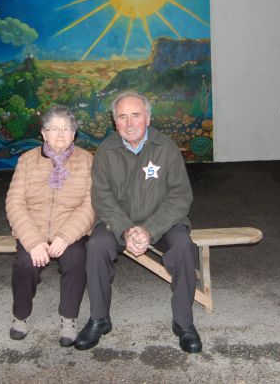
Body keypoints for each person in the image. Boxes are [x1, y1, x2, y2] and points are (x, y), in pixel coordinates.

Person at [74, 91, 201, 353]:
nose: (129, 122)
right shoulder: (106, 151)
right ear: (115, 121)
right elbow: (102, 198)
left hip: (163, 222)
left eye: (135, 115)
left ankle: (184, 323)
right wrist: (126, 229)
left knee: (184, 247)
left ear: (148, 118)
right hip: (118, 222)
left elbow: (180, 196)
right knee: (96, 246)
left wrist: (149, 229)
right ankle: (99, 318)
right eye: (122, 117)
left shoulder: (166, 148)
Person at [6, 105, 95, 346]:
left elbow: (90, 205)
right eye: (54, 129)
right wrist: (33, 241)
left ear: (74, 134)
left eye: (66, 129)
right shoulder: (27, 160)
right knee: (25, 262)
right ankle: (20, 315)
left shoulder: (87, 161)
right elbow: (14, 203)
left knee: (76, 259)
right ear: (43, 133)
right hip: (33, 229)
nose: (60, 134)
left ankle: (68, 318)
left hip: (70, 230)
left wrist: (65, 236)